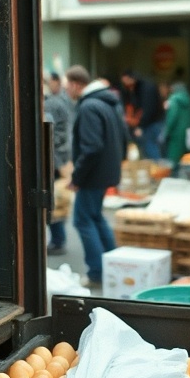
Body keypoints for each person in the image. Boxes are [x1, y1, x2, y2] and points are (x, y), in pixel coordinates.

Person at [65, 65, 127, 286]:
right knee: (96, 217)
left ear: (75, 84)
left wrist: (77, 177)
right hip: (105, 171)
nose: (67, 91)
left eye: (67, 86)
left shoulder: (90, 106)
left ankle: (97, 273)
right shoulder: (106, 103)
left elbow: (91, 147)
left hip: (94, 174)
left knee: (83, 219)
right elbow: (124, 136)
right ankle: (113, 264)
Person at [44, 72, 75, 254]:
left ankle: (57, 240)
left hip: (54, 158)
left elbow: (49, 132)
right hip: (61, 157)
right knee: (57, 198)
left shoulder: (51, 104)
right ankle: (58, 239)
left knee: (53, 199)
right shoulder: (61, 101)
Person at [119, 70, 165, 160]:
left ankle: (156, 170)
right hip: (149, 123)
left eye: (126, 81)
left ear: (131, 79)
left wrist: (140, 126)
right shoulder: (138, 88)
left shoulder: (146, 89)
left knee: (150, 149)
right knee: (149, 149)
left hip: (150, 124)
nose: (125, 84)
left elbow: (148, 109)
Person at [162, 82, 190, 171]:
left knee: (174, 158)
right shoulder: (189, 99)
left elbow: (172, 118)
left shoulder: (173, 100)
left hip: (176, 133)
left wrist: (166, 132)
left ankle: (175, 176)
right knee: (188, 157)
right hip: (189, 132)